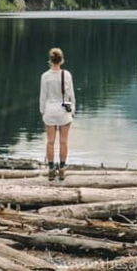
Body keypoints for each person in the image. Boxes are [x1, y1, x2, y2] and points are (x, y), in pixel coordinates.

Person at [39, 47, 75, 180]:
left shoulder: (45, 76)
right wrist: (72, 111)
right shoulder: (67, 75)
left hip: (49, 111)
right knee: (63, 141)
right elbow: (71, 96)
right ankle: (62, 169)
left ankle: (50, 169)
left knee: (50, 142)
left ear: (50, 60)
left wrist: (42, 111)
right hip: (63, 111)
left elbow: (43, 96)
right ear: (61, 60)